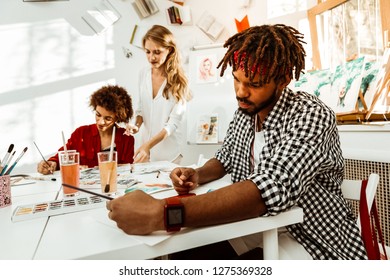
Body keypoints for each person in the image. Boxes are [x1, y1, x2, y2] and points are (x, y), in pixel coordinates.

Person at [107, 24, 368, 260]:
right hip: (256, 228)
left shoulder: (311, 115)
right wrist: (196, 174)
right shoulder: (247, 111)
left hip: (309, 237)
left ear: (283, 81)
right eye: (237, 79)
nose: (241, 92)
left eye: (254, 84)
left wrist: (161, 213)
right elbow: (226, 157)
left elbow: (267, 190)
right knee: (183, 256)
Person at [126, 25, 191, 164]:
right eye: (148, 52)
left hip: (169, 157)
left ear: (169, 50)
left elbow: (172, 124)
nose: (151, 57)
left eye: (157, 52)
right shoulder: (143, 74)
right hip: (145, 155)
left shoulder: (180, 81)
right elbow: (141, 109)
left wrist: (148, 146)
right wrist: (136, 125)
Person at [37, 85, 135, 174]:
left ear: (118, 117)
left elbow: (127, 171)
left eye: (108, 118)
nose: (101, 122)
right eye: (98, 115)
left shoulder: (126, 139)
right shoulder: (81, 133)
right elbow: (63, 156)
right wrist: (51, 163)